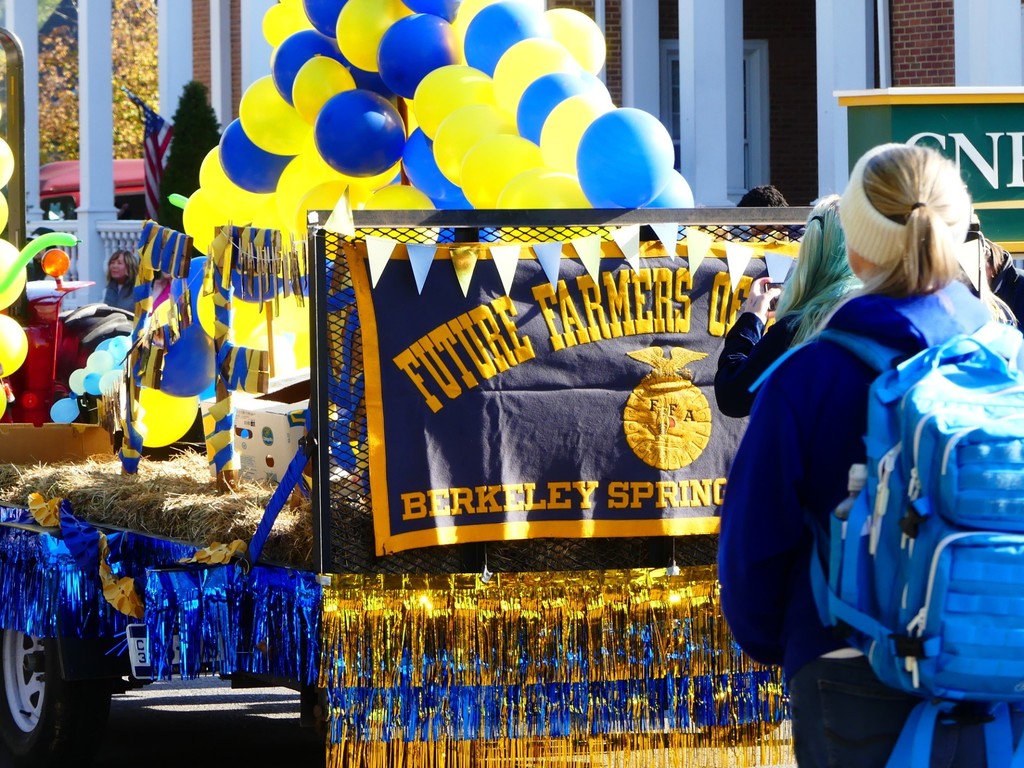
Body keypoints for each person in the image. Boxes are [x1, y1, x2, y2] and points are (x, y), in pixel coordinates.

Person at [718, 143, 1024, 767]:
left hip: (846, 663)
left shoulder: (809, 375)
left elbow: (752, 555)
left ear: (854, 248)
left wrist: (795, 642)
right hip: (1002, 653)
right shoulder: (1012, 359)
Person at [714, 195, 859, 417]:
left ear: (810, 250)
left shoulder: (798, 330)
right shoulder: (884, 313)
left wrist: (751, 321)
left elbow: (733, 395)